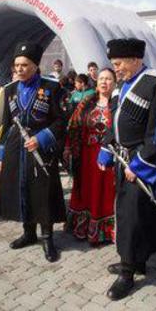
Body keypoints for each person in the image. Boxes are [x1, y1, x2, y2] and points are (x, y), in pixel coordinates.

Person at [97, 38, 156, 300]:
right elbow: (117, 121)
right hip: (122, 160)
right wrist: (106, 148)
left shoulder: (155, 82)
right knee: (128, 213)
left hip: (140, 162)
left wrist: (140, 164)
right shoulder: (125, 84)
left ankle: (128, 272)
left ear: (135, 59)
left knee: (132, 216)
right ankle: (136, 259)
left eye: (119, 63)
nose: (115, 69)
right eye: (113, 64)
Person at [0, 41, 67, 263]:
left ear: (36, 66)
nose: (19, 69)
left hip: (41, 150)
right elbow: (5, 126)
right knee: (21, 190)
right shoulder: (8, 90)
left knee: (42, 193)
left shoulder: (52, 88)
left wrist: (42, 137)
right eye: (16, 65)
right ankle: (28, 233)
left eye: (25, 65)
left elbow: (62, 121)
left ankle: (47, 237)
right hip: (16, 150)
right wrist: (0, 155)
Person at [64, 68, 116, 244]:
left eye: (108, 79)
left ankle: (107, 229)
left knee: (107, 192)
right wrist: (69, 148)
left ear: (115, 83)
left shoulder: (118, 103)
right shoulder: (87, 102)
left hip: (109, 159)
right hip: (86, 157)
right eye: (101, 78)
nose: (104, 82)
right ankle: (83, 226)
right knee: (87, 190)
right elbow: (74, 125)